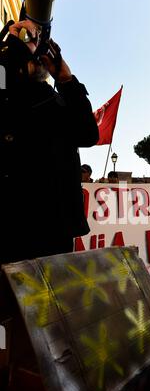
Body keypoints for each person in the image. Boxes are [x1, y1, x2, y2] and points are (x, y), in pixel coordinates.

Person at [0, 19, 99, 265]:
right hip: (11, 225)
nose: (37, 52)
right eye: (28, 42)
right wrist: (13, 51)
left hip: (54, 228)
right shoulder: (7, 89)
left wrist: (67, 80)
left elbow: (88, 134)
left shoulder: (55, 99)